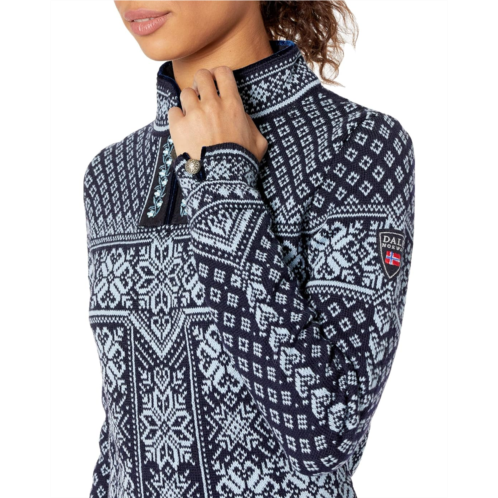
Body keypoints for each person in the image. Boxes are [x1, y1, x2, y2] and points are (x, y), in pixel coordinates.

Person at [84, 1, 415, 497]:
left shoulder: (357, 147)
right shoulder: (110, 174)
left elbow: (327, 436)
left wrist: (223, 181)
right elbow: (121, 438)